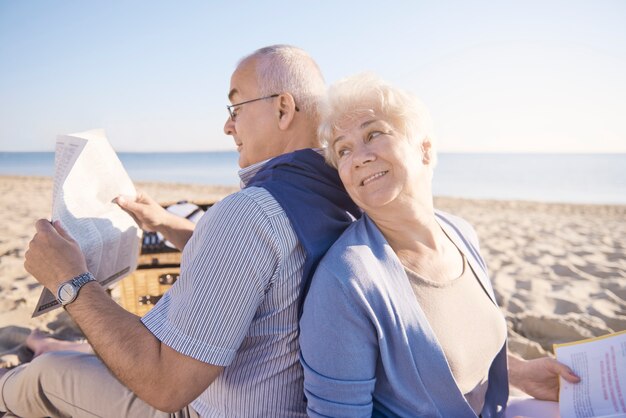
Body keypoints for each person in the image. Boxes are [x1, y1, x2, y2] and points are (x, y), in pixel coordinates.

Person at [0, 45, 360, 418]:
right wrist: (168, 223)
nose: (227, 126)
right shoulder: (338, 194)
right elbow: (258, 267)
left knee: (43, 376)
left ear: (283, 108)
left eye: (236, 108)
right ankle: (56, 347)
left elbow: (165, 386)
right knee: (81, 355)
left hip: (198, 405)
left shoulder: (251, 214)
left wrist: (69, 281)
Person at [298, 73, 580, 418]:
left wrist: (519, 372)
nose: (358, 157)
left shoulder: (460, 233)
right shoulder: (346, 282)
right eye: (343, 150)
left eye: (373, 134)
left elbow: (449, 342)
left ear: (425, 150)